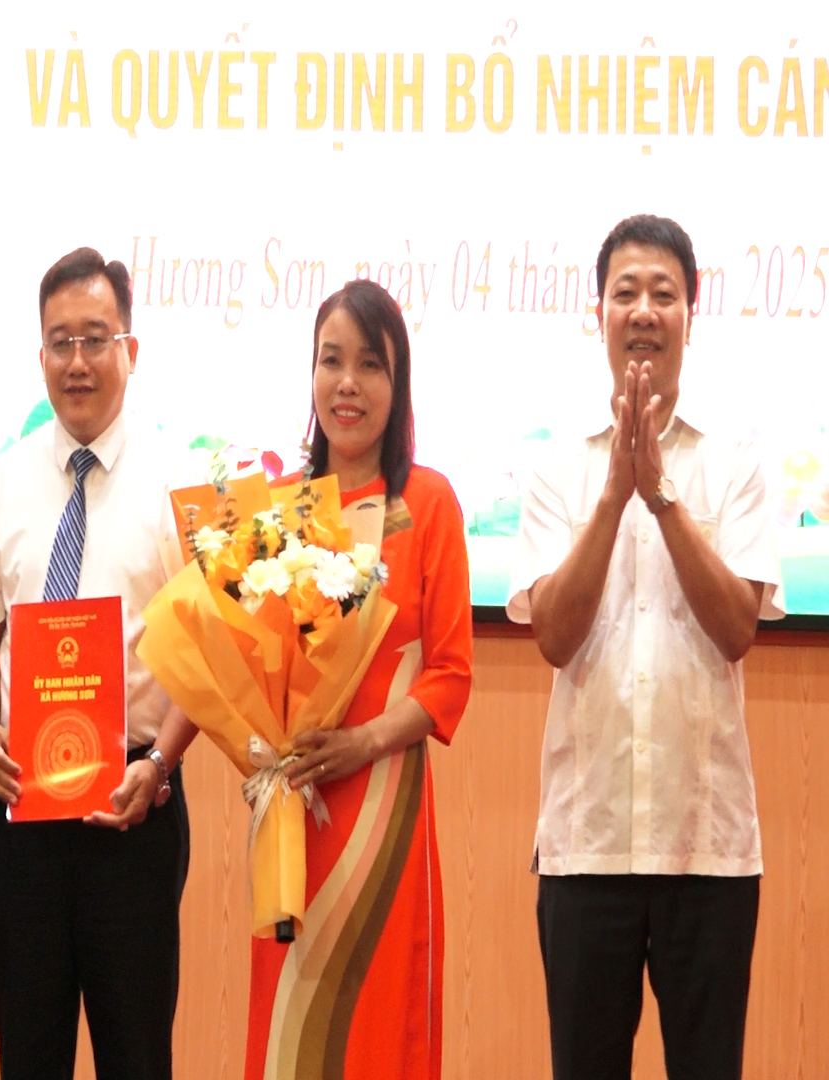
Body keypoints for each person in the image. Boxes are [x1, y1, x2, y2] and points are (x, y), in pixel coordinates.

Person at [508, 214, 783, 1080]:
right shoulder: (556, 466)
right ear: (598, 313)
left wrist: (659, 495)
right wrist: (613, 494)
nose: (643, 310)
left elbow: (737, 629)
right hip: (586, 842)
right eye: (625, 292)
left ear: (692, 315)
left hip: (708, 845)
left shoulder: (736, 461)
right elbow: (555, 636)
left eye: (664, 293)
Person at [0, 247, 197, 1080]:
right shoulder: (5, 477)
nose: (77, 361)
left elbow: (212, 656)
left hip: (135, 807)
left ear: (130, 349)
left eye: (96, 338)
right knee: (29, 1055)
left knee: (136, 1057)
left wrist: (161, 763)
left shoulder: (180, 483)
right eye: (60, 342)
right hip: (24, 808)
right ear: (40, 357)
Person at [244, 279, 473, 1080]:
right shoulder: (278, 509)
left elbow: (449, 676)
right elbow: (246, 664)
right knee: (291, 1030)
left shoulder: (428, 503)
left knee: (382, 1027)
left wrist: (364, 742)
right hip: (294, 814)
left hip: (383, 811)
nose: (347, 383)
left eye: (370, 364)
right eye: (331, 360)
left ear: (397, 381)